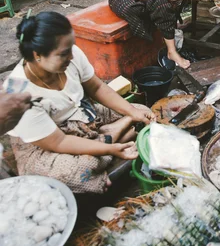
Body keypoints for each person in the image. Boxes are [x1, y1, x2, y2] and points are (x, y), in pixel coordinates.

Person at [3, 12, 154, 193]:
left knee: (142, 111)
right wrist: (112, 149)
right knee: (78, 170)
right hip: (48, 142)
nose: (72, 56)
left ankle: (108, 140)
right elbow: (59, 142)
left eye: (72, 48)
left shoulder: (70, 54)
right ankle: (111, 139)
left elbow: (96, 88)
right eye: (64, 53)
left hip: (84, 118)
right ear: (37, 55)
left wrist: (131, 111)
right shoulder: (18, 94)